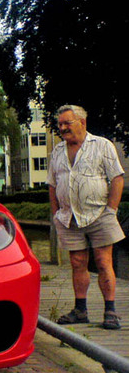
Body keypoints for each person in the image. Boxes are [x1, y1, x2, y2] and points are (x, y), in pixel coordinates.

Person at [47, 105, 124, 330]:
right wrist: (55, 213)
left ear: (82, 122)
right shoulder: (58, 152)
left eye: (66, 123)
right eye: (60, 124)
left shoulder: (102, 146)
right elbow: (52, 184)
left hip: (100, 213)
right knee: (77, 262)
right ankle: (80, 310)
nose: (62, 128)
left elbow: (117, 178)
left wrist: (111, 209)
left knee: (102, 261)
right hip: (69, 217)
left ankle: (110, 311)